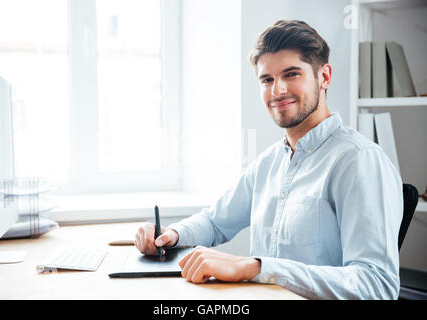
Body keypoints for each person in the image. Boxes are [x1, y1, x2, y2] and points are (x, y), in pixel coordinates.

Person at [134, 20, 403, 300]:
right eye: (267, 80)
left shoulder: (359, 161)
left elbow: (377, 285)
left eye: (291, 74)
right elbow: (215, 222)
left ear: (324, 77)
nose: (277, 90)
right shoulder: (269, 162)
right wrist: (171, 235)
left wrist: (256, 267)